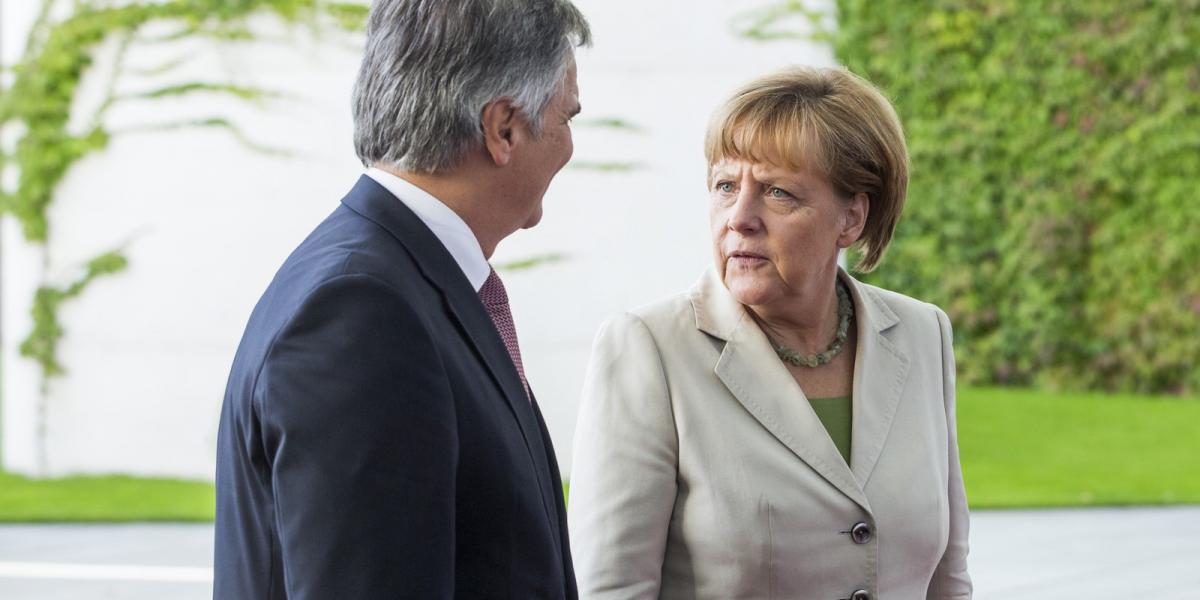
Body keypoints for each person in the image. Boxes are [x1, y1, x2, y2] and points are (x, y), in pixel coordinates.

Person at [213, 1, 590, 597]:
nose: (570, 145)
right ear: (504, 129)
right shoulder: (359, 312)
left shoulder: (400, 280)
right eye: (567, 116)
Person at [568, 66, 972, 600]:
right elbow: (611, 590)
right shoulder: (648, 349)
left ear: (851, 218)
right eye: (725, 186)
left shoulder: (922, 334)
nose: (739, 217)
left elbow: (949, 578)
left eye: (778, 192)